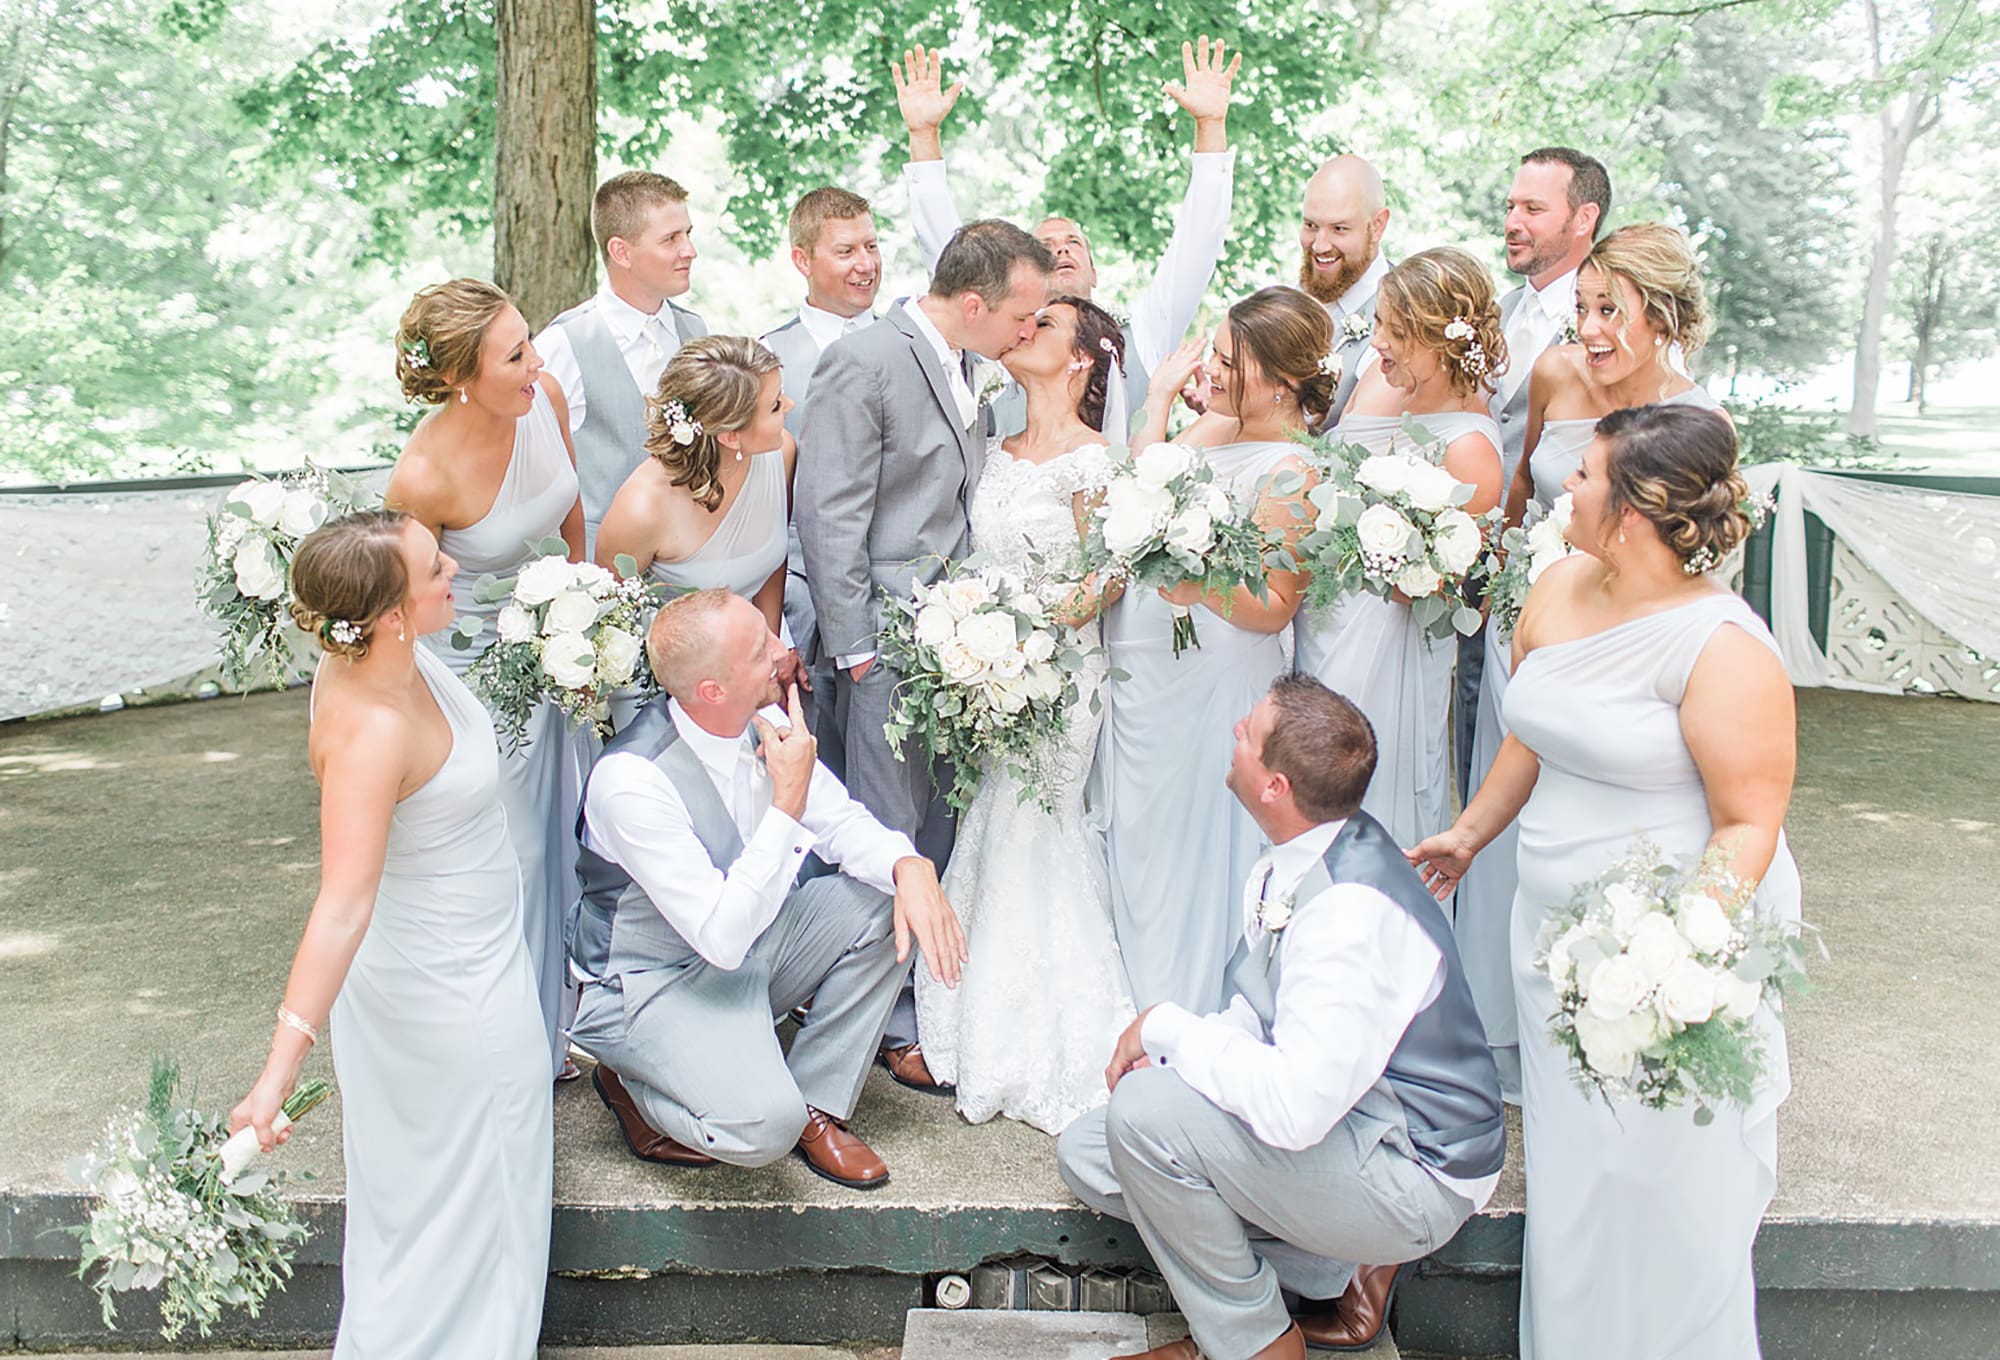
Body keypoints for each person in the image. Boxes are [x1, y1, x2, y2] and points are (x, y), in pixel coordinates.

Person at [1410, 405, 1799, 1360]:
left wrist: (1681, 956)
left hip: (1660, 949)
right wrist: (1469, 834)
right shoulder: (1556, 584)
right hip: (1548, 939)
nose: (1566, 487)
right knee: (1579, 1173)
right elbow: (1534, 730)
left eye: (1585, 475)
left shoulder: (1723, 647)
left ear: (1632, 510)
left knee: (1660, 1180)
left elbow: (1748, 823)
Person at [1058, 676, 1505, 1360]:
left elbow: (1296, 1112)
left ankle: (1255, 1341)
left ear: (1276, 787)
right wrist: (1180, 1061)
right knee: (1092, 1150)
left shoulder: (1347, 916)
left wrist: (1166, 1028)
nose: (1236, 730)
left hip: (1413, 1171)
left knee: (1145, 1120)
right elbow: (1261, 1016)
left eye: (1249, 731)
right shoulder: (1306, 854)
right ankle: (1328, 1266)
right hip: (1349, 1118)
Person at [230, 510, 553, 1359]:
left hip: (475, 957)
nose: (455, 570)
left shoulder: (384, 653)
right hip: (447, 1002)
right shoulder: (371, 731)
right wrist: (276, 1075)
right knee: (464, 1208)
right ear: (390, 616)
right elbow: (341, 905)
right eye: (435, 568)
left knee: (449, 1204)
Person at [567, 589, 969, 1188]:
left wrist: (908, 865)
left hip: (747, 950)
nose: (782, 652)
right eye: (760, 650)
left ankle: (814, 1102)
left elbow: (841, 821)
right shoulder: (631, 782)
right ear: (713, 690)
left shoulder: (765, 722)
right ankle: (631, 1080)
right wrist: (786, 804)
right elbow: (722, 939)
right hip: (649, 984)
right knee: (760, 1130)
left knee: (891, 898)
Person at [1462, 222, 1725, 1095]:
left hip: (1626, 652)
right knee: (1506, 818)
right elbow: (1519, 489)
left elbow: (1697, 570)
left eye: (1611, 309)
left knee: (1593, 818)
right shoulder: (1554, 373)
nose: (1591, 329)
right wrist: (1502, 582)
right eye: (1582, 307)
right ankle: (1496, 1032)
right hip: (1529, 628)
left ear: (1665, 315)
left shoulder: (1701, 419)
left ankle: (1605, 1011)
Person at [795, 219, 1052, 1089]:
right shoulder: (864, 361)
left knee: (934, 830)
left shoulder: (972, 364)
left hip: (953, 649)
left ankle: (911, 1015)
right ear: (974, 304)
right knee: (883, 843)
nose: (1030, 330)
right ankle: (848, 1048)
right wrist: (858, 652)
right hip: (883, 653)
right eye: (1022, 315)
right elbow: (828, 513)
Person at [913, 296, 1134, 1135]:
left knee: (1036, 825)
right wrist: (975, 634)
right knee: (993, 818)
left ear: (1081, 360)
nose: (1025, 329)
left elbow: (1109, 574)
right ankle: (973, 1015)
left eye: (1046, 325)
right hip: (992, 668)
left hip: (1061, 673)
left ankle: (1048, 1040)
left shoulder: (1092, 459)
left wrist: (1028, 635)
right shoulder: (993, 449)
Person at [384, 278, 588, 1081]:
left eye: (529, 341)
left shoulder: (547, 400)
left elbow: (570, 515)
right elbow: (408, 609)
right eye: (514, 355)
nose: (536, 362)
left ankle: (560, 1025)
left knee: (571, 844)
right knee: (517, 858)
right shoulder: (422, 476)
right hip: (477, 679)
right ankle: (513, 1046)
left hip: (561, 653)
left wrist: (585, 609)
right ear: (458, 378)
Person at [1102, 286, 1319, 1016]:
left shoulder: (1295, 471)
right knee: (1142, 836)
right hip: (1149, 674)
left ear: (1283, 378)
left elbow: (1275, 605)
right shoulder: (1218, 425)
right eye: (1215, 355)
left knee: (1193, 839)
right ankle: (1135, 1001)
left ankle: (1191, 1009)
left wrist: (1196, 585)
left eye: (1230, 362)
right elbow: (1140, 484)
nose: (1213, 372)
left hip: (1215, 676)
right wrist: (1160, 397)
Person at [894, 38, 1237, 440]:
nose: (1061, 249)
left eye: (1074, 242)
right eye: (1046, 247)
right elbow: (948, 255)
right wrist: (923, 135)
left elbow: (1196, 244)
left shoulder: (1143, 336)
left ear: (1094, 270)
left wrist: (1211, 126)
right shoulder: (997, 335)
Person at [1301, 248, 1504, 849]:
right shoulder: (1378, 380)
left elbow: (1453, 597)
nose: (1377, 342)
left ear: (1440, 340)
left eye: (1395, 330)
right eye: (1379, 323)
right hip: (1321, 616)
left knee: (1362, 796)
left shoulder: (1470, 449)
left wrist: (1382, 553)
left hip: (1391, 648)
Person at [1457, 148, 1611, 806]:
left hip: (1561, 576)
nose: (1512, 222)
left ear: (1583, 218)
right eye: (1510, 206)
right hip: (1468, 555)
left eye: (1533, 209)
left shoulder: (1608, 331)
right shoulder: (1493, 313)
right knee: (1470, 731)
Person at [594, 336, 804, 714]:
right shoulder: (642, 509)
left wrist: (768, 650)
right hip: (660, 691)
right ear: (730, 435)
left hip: (747, 673)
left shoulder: (781, 453)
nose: (788, 405)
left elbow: (773, 562)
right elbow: (608, 621)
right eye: (775, 405)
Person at [758, 187, 883, 754]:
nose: (866, 264)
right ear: (802, 260)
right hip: (804, 604)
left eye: (871, 246)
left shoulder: (907, 345)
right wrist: (778, 630)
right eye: (846, 251)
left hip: (901, 599)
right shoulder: (766, 358)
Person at [537, 171, 710, 557]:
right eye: (671, 239)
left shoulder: (698, 332)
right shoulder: (563, 344)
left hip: (690, 561)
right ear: (621, 252)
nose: (690, 250)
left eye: (688, 234)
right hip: (600, 568)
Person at [1296, 154, 1392, 422]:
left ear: (1378, 226)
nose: (1319, 246)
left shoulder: (1405, 317)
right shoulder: (1289, 297)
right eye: (1311, 226)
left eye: (1339, 229)